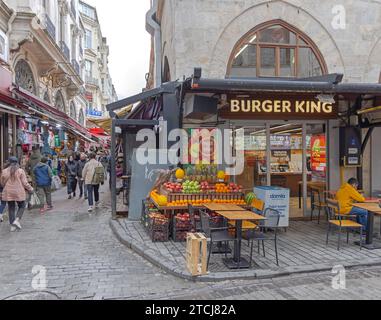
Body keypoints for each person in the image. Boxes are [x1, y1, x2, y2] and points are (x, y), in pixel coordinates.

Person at [0, 157, 33, 232]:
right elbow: (25, 183)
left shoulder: (4, 171)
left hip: (8, 192)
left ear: (9, 162)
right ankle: (17, 220)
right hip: (18, 191)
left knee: (11, 208)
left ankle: (12, 226)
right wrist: (31, 189)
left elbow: (2, 183)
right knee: (22, 205)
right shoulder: (20, 171)